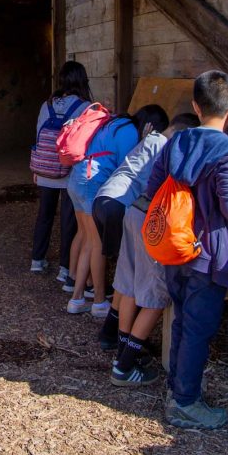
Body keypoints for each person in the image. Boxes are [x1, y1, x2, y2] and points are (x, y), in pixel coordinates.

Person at [144, 70, 228, 430]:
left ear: (195, 106)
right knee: (197, 330)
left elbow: (153, 185)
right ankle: (186, 403)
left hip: (175, 248)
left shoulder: (178, 141)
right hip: (207, 253)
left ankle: (177, 389)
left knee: (181, 320)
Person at [101, 112, 200, 386]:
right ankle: (124, 367)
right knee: (157, 297)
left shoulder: (156, 142)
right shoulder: (182, 150)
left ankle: (122, 351)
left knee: (129, 285)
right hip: (154, 222)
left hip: (134, 211)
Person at [65, 104, 167, 317]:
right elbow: (128, 165)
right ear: (150, 126)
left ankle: (76, 297)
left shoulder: (115, 122)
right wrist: (145, 141)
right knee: (97, 245)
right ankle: (100, 301)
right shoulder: (130, 131)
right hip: (94, 183)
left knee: (87, 239)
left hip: (78, 178)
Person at [30, 60, 91, 280]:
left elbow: (38, 135)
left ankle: (37, 260)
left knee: (44, 214)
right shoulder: (84, 108)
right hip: (69, 172)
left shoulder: (46, 105)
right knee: (69, 219)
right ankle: (65, 268)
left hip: (46, 170)